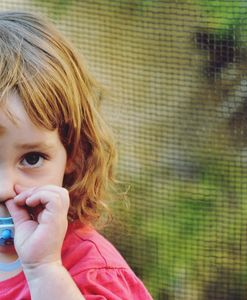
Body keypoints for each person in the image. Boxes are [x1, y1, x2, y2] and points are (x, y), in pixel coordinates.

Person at [0, 10, 152, 300]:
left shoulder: (92, 274)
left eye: (32, 158)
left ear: (75, 155)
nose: (3, 188)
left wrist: (44, 270)